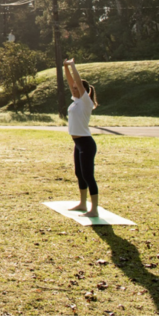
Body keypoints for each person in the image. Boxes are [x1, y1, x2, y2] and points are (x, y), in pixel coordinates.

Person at [63, 58, 100, 217]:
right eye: (73, 88)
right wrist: (65, 67)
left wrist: (72, 65)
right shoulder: (76, 100)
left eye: (77, 88)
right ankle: (83, 203)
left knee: (88, 175)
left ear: (84, 90)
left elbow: (76, 79)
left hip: (86, 143)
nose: (74, 89)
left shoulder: (86, 102)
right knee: (79, 173)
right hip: (77, 143)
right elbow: (71, 81)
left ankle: (94, 209)